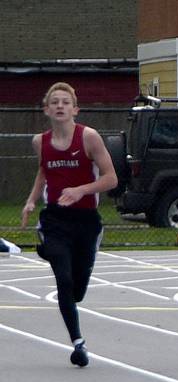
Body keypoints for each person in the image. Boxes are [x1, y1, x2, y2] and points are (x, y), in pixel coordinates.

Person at [20, 83, 118, 367]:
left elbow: (111, 179)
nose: (60, 106)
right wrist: (30, 201)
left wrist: (81, 190)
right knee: (63, 280)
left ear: (75, 109)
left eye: (66, 102)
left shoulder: (89, 138)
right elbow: (43, 171)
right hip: (55, 219)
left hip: (86, 221)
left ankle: (58, 253)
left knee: (76, 291)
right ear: (47, 109)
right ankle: (78, 344)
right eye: (55, 102)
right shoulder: (41, 141)